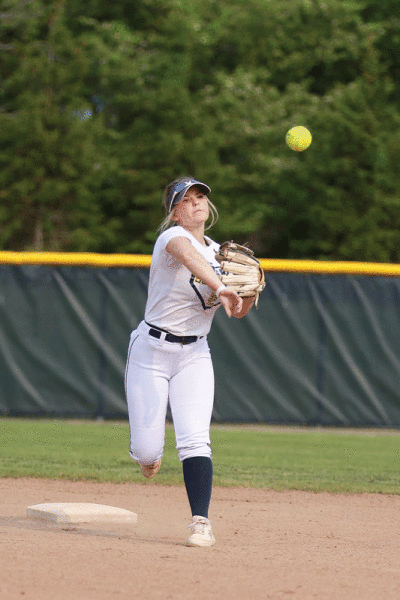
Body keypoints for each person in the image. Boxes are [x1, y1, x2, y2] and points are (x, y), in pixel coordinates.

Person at [124, 176, 255, 547]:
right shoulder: (171, 238)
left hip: (195, 354)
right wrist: (220, 285)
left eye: (200, 196)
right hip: (151, 352)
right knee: (149, 453)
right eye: (187, 199)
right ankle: (146, 457)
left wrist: (246, 291)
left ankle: (200, 521)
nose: (196, 202)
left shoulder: (224, 255)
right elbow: (187, 254)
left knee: (196, 439)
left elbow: (237, 311)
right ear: (175, 212)